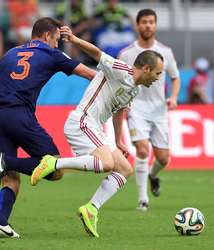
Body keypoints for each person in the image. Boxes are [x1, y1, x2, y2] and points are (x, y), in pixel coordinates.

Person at [30, 25, 164, 237]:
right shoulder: (121, 69)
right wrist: (74, 40)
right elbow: (97, 53)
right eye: (157, 73)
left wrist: (119, 140)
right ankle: (53, 163)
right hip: (82, 121)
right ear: (146, 69)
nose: (158, 78)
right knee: (107, 164)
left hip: (95, 126)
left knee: (124, 169)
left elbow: (119, 111)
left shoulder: (135, 89)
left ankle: (91, 209)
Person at [0, 17, 96, 238]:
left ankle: (1, 220)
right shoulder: (50, 53)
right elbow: (90, 74)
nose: (56, 45)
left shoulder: (11, 53)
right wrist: (119, 82)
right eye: (56, 40)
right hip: (19, 114)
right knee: (55, 166)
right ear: (46, 36)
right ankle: (3, 161)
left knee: (10, 177)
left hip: (2, 114)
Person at [118, 9, 180, 211]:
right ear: (137, 25)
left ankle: (153, 175)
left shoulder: (166, 51)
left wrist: (173, 97)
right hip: (136, 108)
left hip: (159, 110)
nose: (148, 25)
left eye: (151, 22)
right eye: (144, 22)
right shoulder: (127, 53)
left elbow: (175, 77)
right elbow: (119, 78)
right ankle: (143, 200)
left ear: (155, 25)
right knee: (142, 149)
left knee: (163, 158)